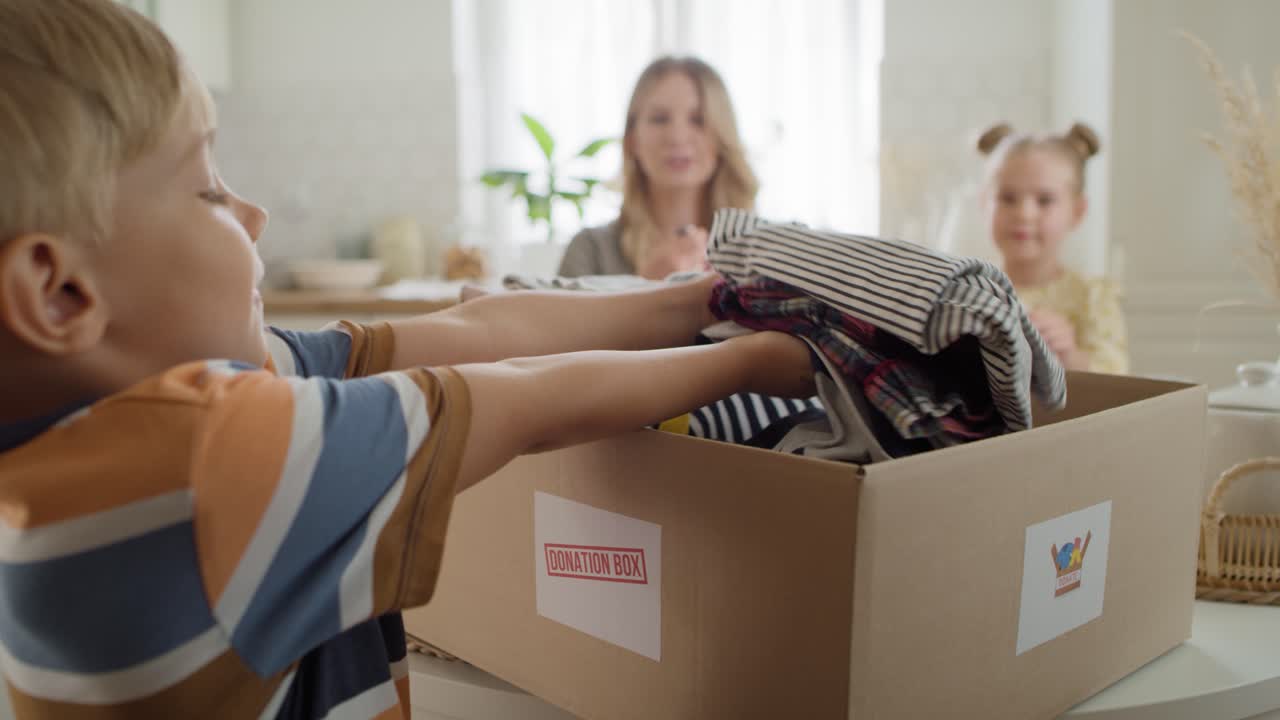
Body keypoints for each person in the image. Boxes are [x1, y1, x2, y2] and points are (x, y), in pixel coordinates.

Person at [0, 2, 815, 717]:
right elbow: (521, 395)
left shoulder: (86, 449)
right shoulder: (204, 462)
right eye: (209, 189)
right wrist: (751, 361)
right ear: (59, 293)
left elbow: (471, 334)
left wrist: (697, 302)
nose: (253, 211)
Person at [557, 56, 758, 280]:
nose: (677, 137)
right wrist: (647, 287)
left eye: (698, 119)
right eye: (659, 119)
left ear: (722, 137)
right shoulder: (591, 251)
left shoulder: (761, 255)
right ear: (632, 140)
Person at [977, 122, 1130, 374]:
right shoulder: (971, 293)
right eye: (1008, 198)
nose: (1024, 214)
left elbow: (1118, 378)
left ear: (1077, 211)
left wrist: (1069, 355)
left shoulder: (1092, 297)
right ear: (984, 203)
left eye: (1044, 200)